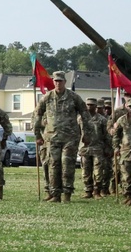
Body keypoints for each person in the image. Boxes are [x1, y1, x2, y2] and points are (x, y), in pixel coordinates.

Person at [34, 70, 91, 202]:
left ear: (65, 82)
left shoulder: (73, 97)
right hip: (52, 138)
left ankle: (67, 193)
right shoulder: (47, 97)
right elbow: (37, 116)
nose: (58, 83)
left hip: (70, 138)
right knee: (53, 164)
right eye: (56, 81)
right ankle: (55, 194)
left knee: (67, 164)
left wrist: (86, 133)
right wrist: (38, 134)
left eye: (60, 81)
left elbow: (85, 115)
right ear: (53, 82)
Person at [78, 97, 109, 198]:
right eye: (88, 105)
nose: (89, 106)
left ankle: (97, 191)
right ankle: (88, 191)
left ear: (96, 106)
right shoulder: (80, 119)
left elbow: (107, 135)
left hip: (98, 148)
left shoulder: (102, 120)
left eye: (92, 105)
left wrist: (108, 148)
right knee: (86, 171)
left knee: (98, 171)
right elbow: (76, 133)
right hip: (85, 149)